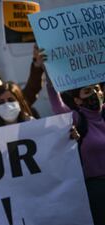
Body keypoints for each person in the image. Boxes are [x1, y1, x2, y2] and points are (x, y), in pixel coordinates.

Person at [46, 79, 105, 225]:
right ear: (77, 100)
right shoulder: (77, 119)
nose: (95, 94)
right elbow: (57, 105)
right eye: (87, 91)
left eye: (96, 89)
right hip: (96, 188)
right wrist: (49, 75)